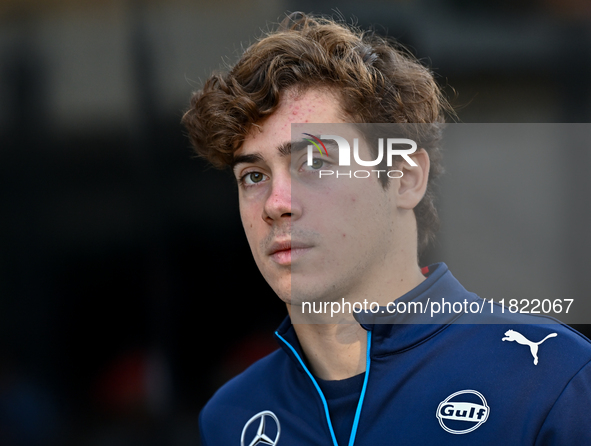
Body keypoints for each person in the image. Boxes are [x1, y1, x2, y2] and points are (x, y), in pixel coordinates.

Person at [182, 12, 591, 445]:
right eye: (254, 176)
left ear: (404, 178)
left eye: (314, 162)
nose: (276, 203)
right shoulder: (231, 418)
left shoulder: (553, 383)